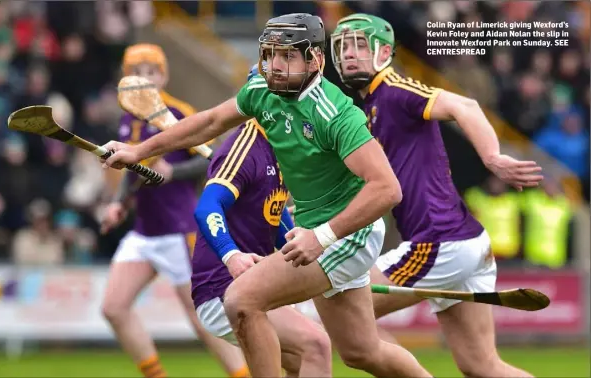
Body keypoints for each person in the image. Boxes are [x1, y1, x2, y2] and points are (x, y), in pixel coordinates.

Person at [101, 14, 432, 378]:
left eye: (287, 57)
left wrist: (321, 237)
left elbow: (387, 189)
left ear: (315, 61)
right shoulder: (264, 91)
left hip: (346, 232)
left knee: (243, 299)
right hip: (315, 227)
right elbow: (210, 122)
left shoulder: (336, 113)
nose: (275, 66)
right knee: (361, 352)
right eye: (270, 54)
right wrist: (138, 151)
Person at [330, 13, 543, 378]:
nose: (349, 53)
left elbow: (466, 106)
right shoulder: (366, 110)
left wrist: (492, 157)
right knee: (482, 366)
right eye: (343, 46)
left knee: (347, 319)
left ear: (384, 52)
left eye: (360, 45)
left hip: (437, 242)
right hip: (465, 241)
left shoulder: (395, 91)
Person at [99, 44, 247, 378]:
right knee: (113, 308)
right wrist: (118, 204)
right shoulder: (128, 118)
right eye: (135, 73)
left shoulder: (178, 112)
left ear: (163, 75)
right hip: (145, 232)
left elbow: (209, 159)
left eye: (150, 72)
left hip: (180, 230)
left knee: (201, 318)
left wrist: (174, 172)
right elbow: (134, 167)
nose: (143, 79)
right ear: (125, 78)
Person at [191, 63, 333, 377]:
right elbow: (207, 208)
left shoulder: (281, 147)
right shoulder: (245, 148)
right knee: (316, 346)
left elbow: (275, 216)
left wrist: (308, 248)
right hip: (222, 286)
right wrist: (231, 255)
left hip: (259, 283)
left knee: (301, 362)